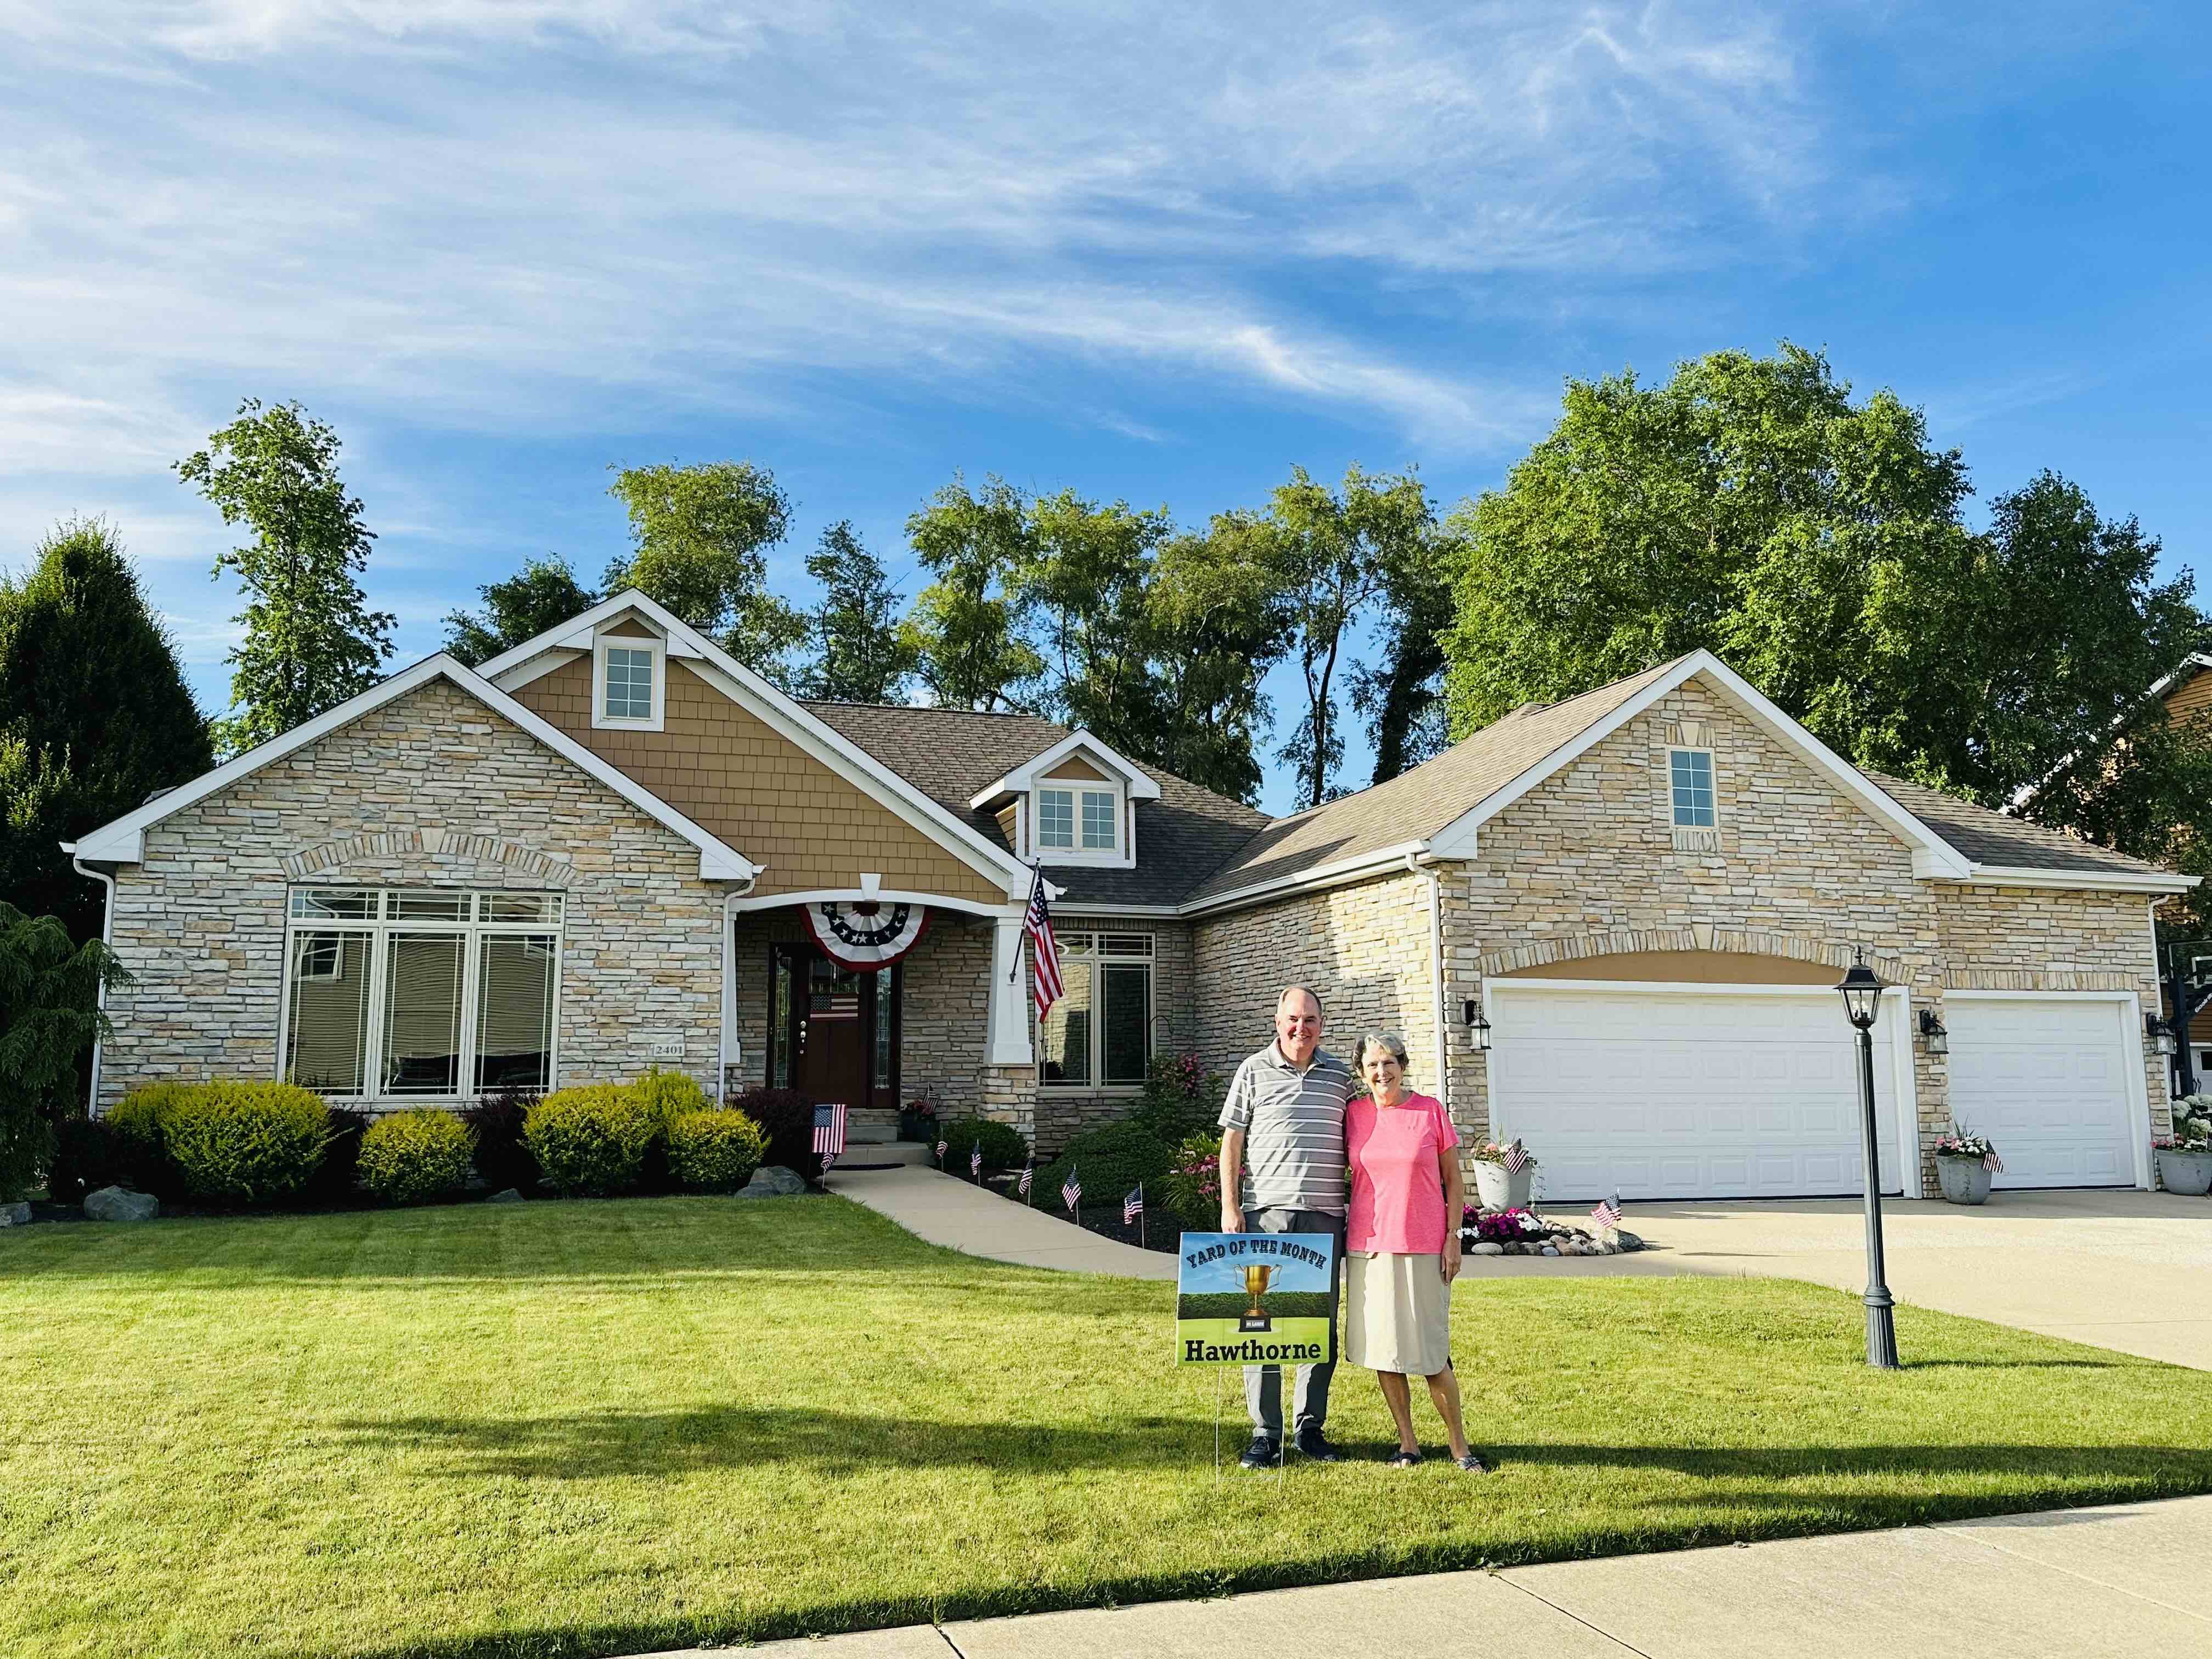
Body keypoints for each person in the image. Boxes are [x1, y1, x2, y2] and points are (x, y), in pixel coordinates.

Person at [1217, 984, 1356, 1470]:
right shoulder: (1252, 1071)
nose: (1302, 1028)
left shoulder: (1341, 1077)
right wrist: (1230, 1208)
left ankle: (1309, 1429)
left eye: (1311, 1020)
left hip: (1325, 1218)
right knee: (1263, 1324)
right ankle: (1265, 1432)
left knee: (1318, 1326)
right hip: (1264, 1216)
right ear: (1278, 1022)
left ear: (1322, 1023)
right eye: (1293, 1019)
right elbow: (1232, 1143)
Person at [1345, 1029, 1488, 1472]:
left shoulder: (1429, 1112)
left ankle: (1460, 1448)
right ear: (1361, 1072)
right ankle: (1408, 1444)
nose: (1381, 1072)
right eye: (1373, 1065)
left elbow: (1454, 1180)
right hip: (1368, 1248)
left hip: (1424, 1245)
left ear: (1402, 1066)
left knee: (1430, 1354)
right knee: (1385, 1352)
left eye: (1389, 1063)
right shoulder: (1353, 1115)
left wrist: (1452, 1236)